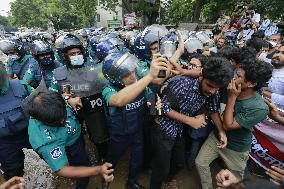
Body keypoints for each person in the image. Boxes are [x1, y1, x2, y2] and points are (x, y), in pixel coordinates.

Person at [150, 57, 234, 189]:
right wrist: (191, 121)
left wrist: (221, 131)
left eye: (217, 89)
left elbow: (212, 110)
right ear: (201, 76)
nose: (212, 91)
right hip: (163, 129)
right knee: (161, 168)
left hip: (179, 131)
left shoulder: (214, 90)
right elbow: (162, 108)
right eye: (210, 86)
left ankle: (168, 179)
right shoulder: (181, 84)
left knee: (179, 164)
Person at [195, 59, 273, 189]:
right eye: (235, 73)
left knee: (236, 183)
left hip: (236, 148)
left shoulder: (259, 107)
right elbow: (212, 106)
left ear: (252, 83)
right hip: (216, 137)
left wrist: (232, 97)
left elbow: (228, 126)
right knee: (200, 163)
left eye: (238, 76)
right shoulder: (227, 85)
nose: (233, 77)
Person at [102, 51, 168, 189]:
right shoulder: (108, 89)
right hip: (120, 134)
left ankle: (132, 182)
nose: (132, 76)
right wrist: (149, 76)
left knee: (137, 158)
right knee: (112, 159)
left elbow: (150, 96)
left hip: (137, 130)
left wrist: (155, 105)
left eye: (132, 71)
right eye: (126, 74)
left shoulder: (138, 81)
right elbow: (118, 101)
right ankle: (105, 180)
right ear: (115, 77)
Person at [27, 91, 114, 189]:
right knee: (83, 172)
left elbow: (65, 94)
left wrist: (69, 100)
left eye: (64, 115)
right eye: (58, 121)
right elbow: (63, 170)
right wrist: (98, 170)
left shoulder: (53, 100)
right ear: (42, 120)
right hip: (69, 147)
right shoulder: (45, 141)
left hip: (75, 136)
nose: (63, 121)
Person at [50, 34, 110, 165]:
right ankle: (80, 161)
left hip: (93, 107)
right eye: (72, 54)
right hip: (72, 111)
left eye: (78, 52)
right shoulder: (59, 73)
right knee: (75, 138)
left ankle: (103, 157)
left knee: (99, 136)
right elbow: (52, 95)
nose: (76, 55)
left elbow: (105, 85)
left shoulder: (93, 68)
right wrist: (68, 100)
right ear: (65, 56)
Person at [0, 64, 32, 180]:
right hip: (4, 142)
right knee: (13, 174)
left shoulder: (21, 86)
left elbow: (39, 108)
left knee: (52, 156)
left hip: (29, 132)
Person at [262, 44, 284, 109]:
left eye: (283, 53)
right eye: (277, 52)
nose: (277, 55)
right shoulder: (268, 65)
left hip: (272, 114)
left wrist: (264, 93)